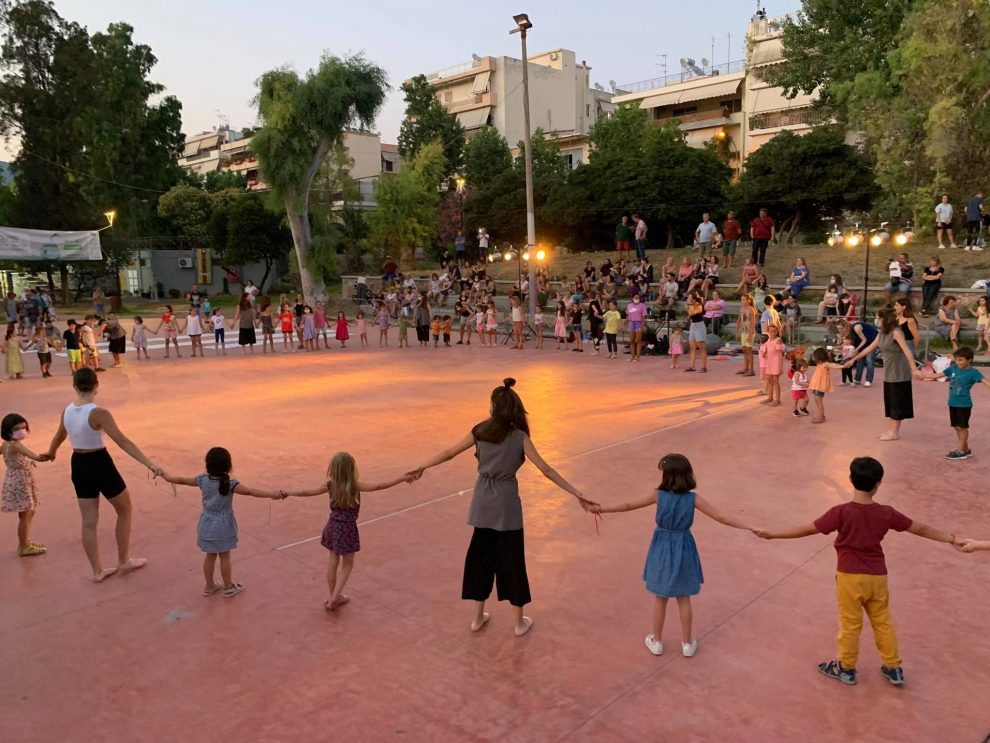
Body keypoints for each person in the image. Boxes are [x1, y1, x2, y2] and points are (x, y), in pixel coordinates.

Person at [407, 379, 596, 637]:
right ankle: (518, 623)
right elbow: (546, 470)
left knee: (480, 557)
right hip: (507, 505)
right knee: (512, 560)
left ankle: (477, 617)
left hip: (483, 502)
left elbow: (450, 452)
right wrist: (577, 492)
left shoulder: (480, 431)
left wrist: (423, 466)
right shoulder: (519, 437)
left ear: (493, 407)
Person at [755, 457, 960, 687]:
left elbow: (807, 529)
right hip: (878, 577)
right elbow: (919, 527)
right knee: (882, 620)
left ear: (851, 479)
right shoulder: (887, 513)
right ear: (878, 484)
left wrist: (772, 534)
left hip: (850, 577)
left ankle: (846, 668)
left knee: (850, 623)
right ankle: (893, 668)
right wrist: (950, 539)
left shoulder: (841, 512)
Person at [588, 453, 757, 658]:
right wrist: (749, 526)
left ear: (667, 475)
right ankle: (687, 644)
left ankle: (657, 641)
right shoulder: (693, 499)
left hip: (662, 544)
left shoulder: (658, 496)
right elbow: (720, 516)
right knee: (683, 597)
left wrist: (601, 509)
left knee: (661, 597)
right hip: (684, 545)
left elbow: (628, 505)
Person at [46, 368, 162, 582]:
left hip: (78, 464)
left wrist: (50, 454)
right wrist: (149, 463)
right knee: (124, 509)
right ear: (96, 386)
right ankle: (123, 560)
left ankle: (97, 571)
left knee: (88, 522)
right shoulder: (98, 413)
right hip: (99, 463)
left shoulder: (68, 410)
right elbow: (122, 441)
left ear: (74, 386)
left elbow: (59, 436)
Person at [285, 452, 415, 612]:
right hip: (347, 529)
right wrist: (401, 478)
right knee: (347, 564)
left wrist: (289, 493)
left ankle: (334, 595)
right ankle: (334, 599)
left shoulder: (330, 486)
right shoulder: (355, 486)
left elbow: (307, 492)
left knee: (332, 562)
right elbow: (379, 486)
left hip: (332, 526)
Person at [162, 448, 282, 598]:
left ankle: (209, 586)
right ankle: (228, 587)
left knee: (210, 556)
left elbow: (181, 480)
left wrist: (167, 476)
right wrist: (273, 495)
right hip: (224, 526)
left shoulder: (202, 480)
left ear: (208, 464)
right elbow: (251, 491)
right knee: (225, 556)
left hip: (206, 524)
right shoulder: (231, 484)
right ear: (228, 465)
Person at [844, 309, 923, 441]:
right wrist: (854, 359)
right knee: (890, 401)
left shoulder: (896, 332)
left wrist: (914, 368)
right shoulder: (882, 332)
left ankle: (894, 432)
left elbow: (907, 350)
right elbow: (870, 348)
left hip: (899, 371)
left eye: (877, 318)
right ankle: (891, 430)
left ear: (883, 319)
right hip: (889, 371)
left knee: (897, 401)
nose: (876, 320)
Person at [922, 346, 990, 460]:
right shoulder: (953, 368)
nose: (958, 362)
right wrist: (923, 375)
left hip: (964, 404)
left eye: (961, 360)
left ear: (969, 360)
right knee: (956, 427)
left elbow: (985, 382)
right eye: (957, 359)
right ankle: (965, 448)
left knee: (962, 427)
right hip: (952, 403)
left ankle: (962, 450)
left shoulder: (973, 372)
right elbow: (939, 375)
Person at [2, 414, 52, 556]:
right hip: (21, 482)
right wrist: (50, 454)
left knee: (28, 511)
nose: (22, 430)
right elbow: (34, 456)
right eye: (17, 428)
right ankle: (23, 546)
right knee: (25, 514)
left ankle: (24, 542)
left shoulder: (6, 444)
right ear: (8, 430)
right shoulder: (16, 445)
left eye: (24, 427)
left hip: (14, 479)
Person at [838, 317, 879, 387]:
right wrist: (836, 347)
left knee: (869, 360)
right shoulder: (846, 332)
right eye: (838, 328)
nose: (840, 330)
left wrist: (856, 350)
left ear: (845, 326)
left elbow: (864, 340)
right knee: (860, 359)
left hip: (872, 340)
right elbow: (848, 343)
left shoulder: (856, 327)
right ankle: (857, 378)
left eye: (841, 328)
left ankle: (868, 380)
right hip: (861, 342)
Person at [807, 347, 842, 423]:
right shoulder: (819, 364)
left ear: (819, 357)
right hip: (817, 386)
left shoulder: (826, 364)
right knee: (817, 402)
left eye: (815, 356)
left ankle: (821, 417)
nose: (814, 358)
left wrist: (844, 366)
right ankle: (821, 416)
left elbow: (835, 366)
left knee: (819, 402)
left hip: (820, 386)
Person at [759, 324, 785, 406]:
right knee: (769, 380)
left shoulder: (778, 340)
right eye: (771, 331)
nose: (773, 333)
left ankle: (778, 400)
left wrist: (780, 344)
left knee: (775, 381)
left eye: (774, 331)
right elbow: (764, 348)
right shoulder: (768, 340)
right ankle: (770, 397)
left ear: (777, 332)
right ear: (768, 332)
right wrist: (763, 352)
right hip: (769, 363)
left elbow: (781, 348)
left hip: (776, 363)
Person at [684, 292, 708, 373]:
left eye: (690, 298)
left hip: (699, 326)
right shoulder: (691, 306)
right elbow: (689, 315)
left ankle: (704, 367)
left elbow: (692, 313)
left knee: (701, 347)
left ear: (693, 299)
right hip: (693, 326)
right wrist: (688, 306)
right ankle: (692, 366)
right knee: (692, 347)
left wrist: (689, 306)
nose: (688, 299)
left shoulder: (699, 305)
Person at [736, 294, 757, 377]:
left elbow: (753, 322)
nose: (742, 301)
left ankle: (751, 370)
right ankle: (745, 368)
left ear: (749, 300)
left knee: (749, 350)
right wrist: (737, 331)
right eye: (741, 300)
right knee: (744, 350)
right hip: (743, 332)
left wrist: (750, 334)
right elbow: (739, 320)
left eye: (744, 299)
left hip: (749, 332)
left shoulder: (751, 309)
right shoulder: (741, 309)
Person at [626, 293, 646, 362]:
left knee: (637, 340)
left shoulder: (642, 305)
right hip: (631, 323)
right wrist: (624, 324)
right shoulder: (629, 305)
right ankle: (632, 356)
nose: (637, 298)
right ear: (632, 298)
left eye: (638, 297)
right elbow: (628, 316)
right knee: (631, 340)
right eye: (635, 297)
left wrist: (642, 326)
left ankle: (637, 357)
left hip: (638, 323)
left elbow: (643, 317)